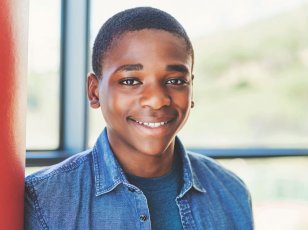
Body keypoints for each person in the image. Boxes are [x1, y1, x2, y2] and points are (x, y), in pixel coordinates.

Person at [25, 7, 254, 230]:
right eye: (130, 81)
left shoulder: (231, 192)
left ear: (191, 89)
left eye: (175, 81)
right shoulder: (43, 201)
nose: (156, 100)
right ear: (94, 92)